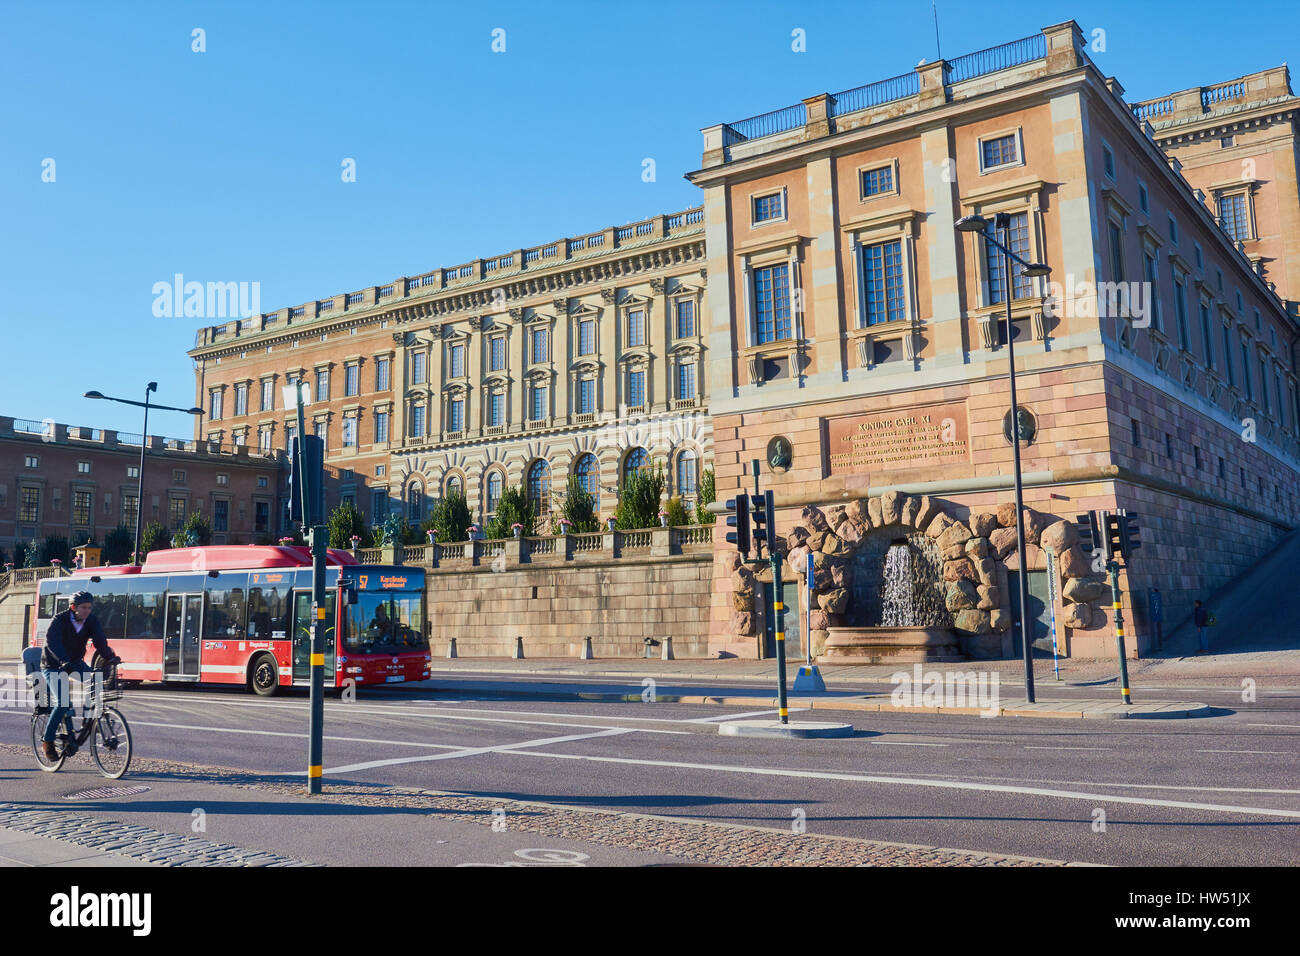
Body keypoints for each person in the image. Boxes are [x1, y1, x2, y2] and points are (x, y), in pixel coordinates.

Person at [39, 591, 120, 762]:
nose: (87, 611)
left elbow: (99, 640)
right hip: (53, 664)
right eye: (83, 608)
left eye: (89, 607)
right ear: (73, 607)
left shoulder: (91, 620)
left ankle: (88, 720)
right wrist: (63, 661)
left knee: (95, 680)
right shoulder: (59, 620)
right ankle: (48, 740)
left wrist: (109, 656)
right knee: (62, 703)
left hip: (74, 662)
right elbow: (52, 642)